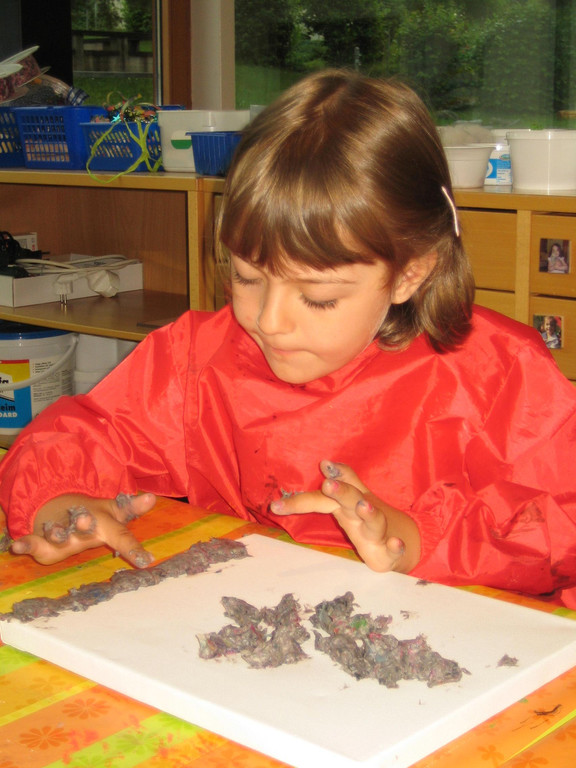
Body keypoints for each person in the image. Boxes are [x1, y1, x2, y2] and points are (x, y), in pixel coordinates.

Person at [1, 69, 576, 608]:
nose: (269, 320)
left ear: (410, 273)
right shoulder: (198, 360)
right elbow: (88, 434)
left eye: (318, 297)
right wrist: (62, 502)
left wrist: (418, 538)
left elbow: (560, 526)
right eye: (247, 277)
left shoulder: (500, 374)